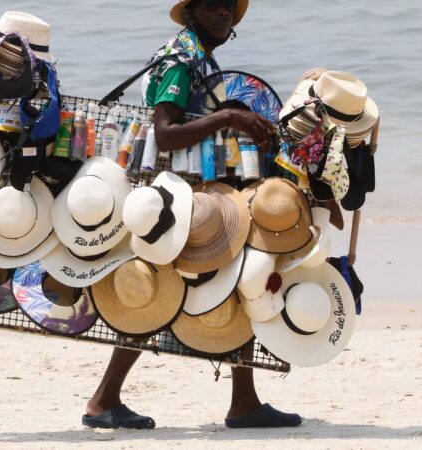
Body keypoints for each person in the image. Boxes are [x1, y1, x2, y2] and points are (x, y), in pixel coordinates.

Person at [82, 0, 303, 430]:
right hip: (179, 198)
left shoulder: (197, 55)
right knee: (167, 287)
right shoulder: (181, 60)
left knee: (236, 278)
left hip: (196, 191)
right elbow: (165, 133)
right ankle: (104, 399)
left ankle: (244, 401)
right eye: (213, 6)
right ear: (192, 11)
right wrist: (229, 117)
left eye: (227, 8)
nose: (223, 14)